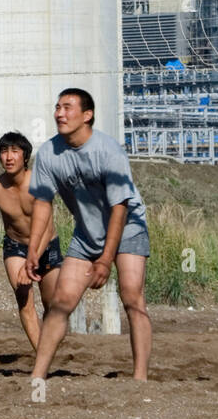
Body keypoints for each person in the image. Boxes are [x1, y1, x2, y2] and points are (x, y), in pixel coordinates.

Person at [26, 89, 152, 381]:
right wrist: (34, 250)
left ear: (87, 115)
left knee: (132, 297)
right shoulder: (48, 153)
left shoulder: (108, 150)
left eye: (68, 107)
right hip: (86, 233)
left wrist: (106, 260)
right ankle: (37, 376)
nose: (59, 113)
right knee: (61, 303)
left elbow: (119, 207)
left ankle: (140, 379)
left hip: (128, 226)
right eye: (57, 107)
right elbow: (43, 204)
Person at [0, 131, 62, 352]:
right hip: (16, 247)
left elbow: (47, 226)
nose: (9, 157)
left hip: (46, 246)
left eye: (14, 151)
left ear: (25, 156)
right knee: (24, 300)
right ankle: (42, 356)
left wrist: (32, 260)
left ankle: (48, 342)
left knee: (53, 307)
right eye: (4, 152)